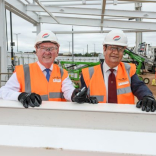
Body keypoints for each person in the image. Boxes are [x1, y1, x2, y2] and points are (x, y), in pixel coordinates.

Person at [73, 29, 156, 112]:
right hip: (97, 119)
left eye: (120, 49)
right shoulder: (88, 74)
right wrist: (78, 97)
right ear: (104, 49)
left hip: (124, 119)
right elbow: (81, 95)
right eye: (112, 48)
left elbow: (139, 86)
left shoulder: (129, 70)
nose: (116, 52)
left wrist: (147, 96)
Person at [0, 30, 76, 108]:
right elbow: (3, 92)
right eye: (43, 48)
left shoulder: (62, 73)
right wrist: (21, 96)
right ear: (36, 50)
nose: (47, 52)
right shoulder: (22, 72)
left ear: (57, 51)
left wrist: (74, 95)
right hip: (31, 118)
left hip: (56, 117)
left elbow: (68, 91)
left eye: (52, 48)